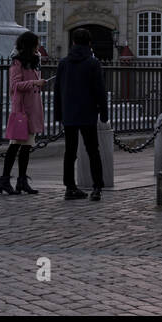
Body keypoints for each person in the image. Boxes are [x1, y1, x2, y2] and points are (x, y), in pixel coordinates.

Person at [55, 28, 109, 201]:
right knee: (93, 150)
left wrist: (58, 114)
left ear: (73, 43)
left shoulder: (64, 63)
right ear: (89, 43)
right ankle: (97, 187)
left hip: (69, 113)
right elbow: (100, 90)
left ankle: (70, 187)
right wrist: (104, 112)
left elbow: (57, 90)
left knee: (69, 152)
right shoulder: (93, 63)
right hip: (87, 112)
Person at [0, 31, 47, 196]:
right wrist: (35, 82)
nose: (38, 47)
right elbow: (15, 85)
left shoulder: (33, 61)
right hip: (22, 110)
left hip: (32, 108)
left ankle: (22, 180)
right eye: (35, 44)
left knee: (26, 147)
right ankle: (4, 180)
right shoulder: (17, 62)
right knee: (15, 146)